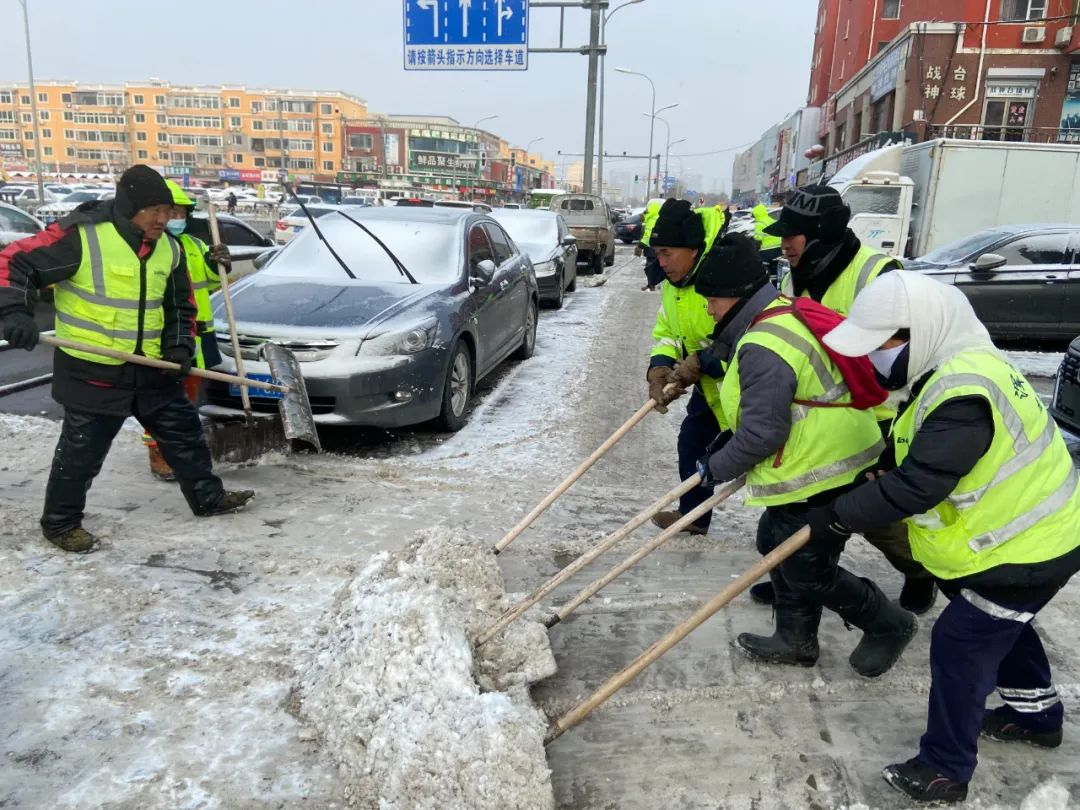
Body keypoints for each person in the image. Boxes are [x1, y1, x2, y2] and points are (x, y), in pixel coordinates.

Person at [820, 270, 1080, 804]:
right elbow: (921, 456)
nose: (873, 358)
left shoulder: (963, 392)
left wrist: (841, 515)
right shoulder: (953, 369)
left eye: (883, 344)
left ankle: (944, 769)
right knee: (998, 625)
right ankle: (1037, 718)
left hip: (1028, 548)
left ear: (925, 330)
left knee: (962, 641)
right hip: (1026, 540)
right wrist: (885, 471)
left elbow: (921, 484)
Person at [692, 233, 917, 676]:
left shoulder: (762, 345)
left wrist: (713, 469)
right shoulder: (779, 313)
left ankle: (888, 623)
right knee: (776, 541)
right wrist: (725, 442)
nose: (709, 310)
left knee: (807, 565)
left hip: (824, 466)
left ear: (735, 297)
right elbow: (774, 409)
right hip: (837, 449)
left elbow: (763, 434)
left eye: (712, 300)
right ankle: (796, 639)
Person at [0, 165, 255, 553]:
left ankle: (208, 498)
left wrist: (180, 346)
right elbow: (12, 262)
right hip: (94, 371)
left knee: (185, 438)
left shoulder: (168, 248)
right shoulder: (82, 237)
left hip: (152, 368)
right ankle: (60, 524)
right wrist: (14, 313)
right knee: (82, 453)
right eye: (153, 209)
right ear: (129, 206)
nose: (163, 219)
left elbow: (180, 306)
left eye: (167, 210)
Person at [759, 184, 937, 615]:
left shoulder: (879, 275)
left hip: (876, 414)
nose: (784, 246)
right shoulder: (792, 277)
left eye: (793, 235)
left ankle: (919, 570)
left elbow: (908, 356)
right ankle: (796, 583)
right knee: (801, 504)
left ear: (821, 234)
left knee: (872, 515)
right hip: (820, 415)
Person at [645, 198, 727, 535]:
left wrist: (702, 361)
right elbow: (668, 331)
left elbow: (746, 335)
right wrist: (661, 365)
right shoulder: (673, 287)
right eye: (657, 254)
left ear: (692, 249)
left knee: (746, 458)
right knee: (692, 442)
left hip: (748, 388)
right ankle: (693, 517)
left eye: (667, 253)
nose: (660, 262)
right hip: (712, 389)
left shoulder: (722, 275)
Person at [142, 180, 231, 481]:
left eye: (179, 213)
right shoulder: (150, 249)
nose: (174, 219)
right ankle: (159, 452)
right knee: (160, 399)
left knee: (188, 400)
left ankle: (183, 449)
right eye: (169, 212)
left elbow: (212, 284)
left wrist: (216, 264)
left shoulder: (195, 246)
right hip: (165, 336)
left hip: (198, 332)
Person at [635, 198, 665, 291]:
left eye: (648, 208)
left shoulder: (653, 219)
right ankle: (652, 284)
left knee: (651, 266)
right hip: (654, 247)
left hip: (652, 247)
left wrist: (640, 246)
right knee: (653, 266)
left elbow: (648, 235)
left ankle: (652, 284)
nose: (646, 209)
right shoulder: (654, 218)